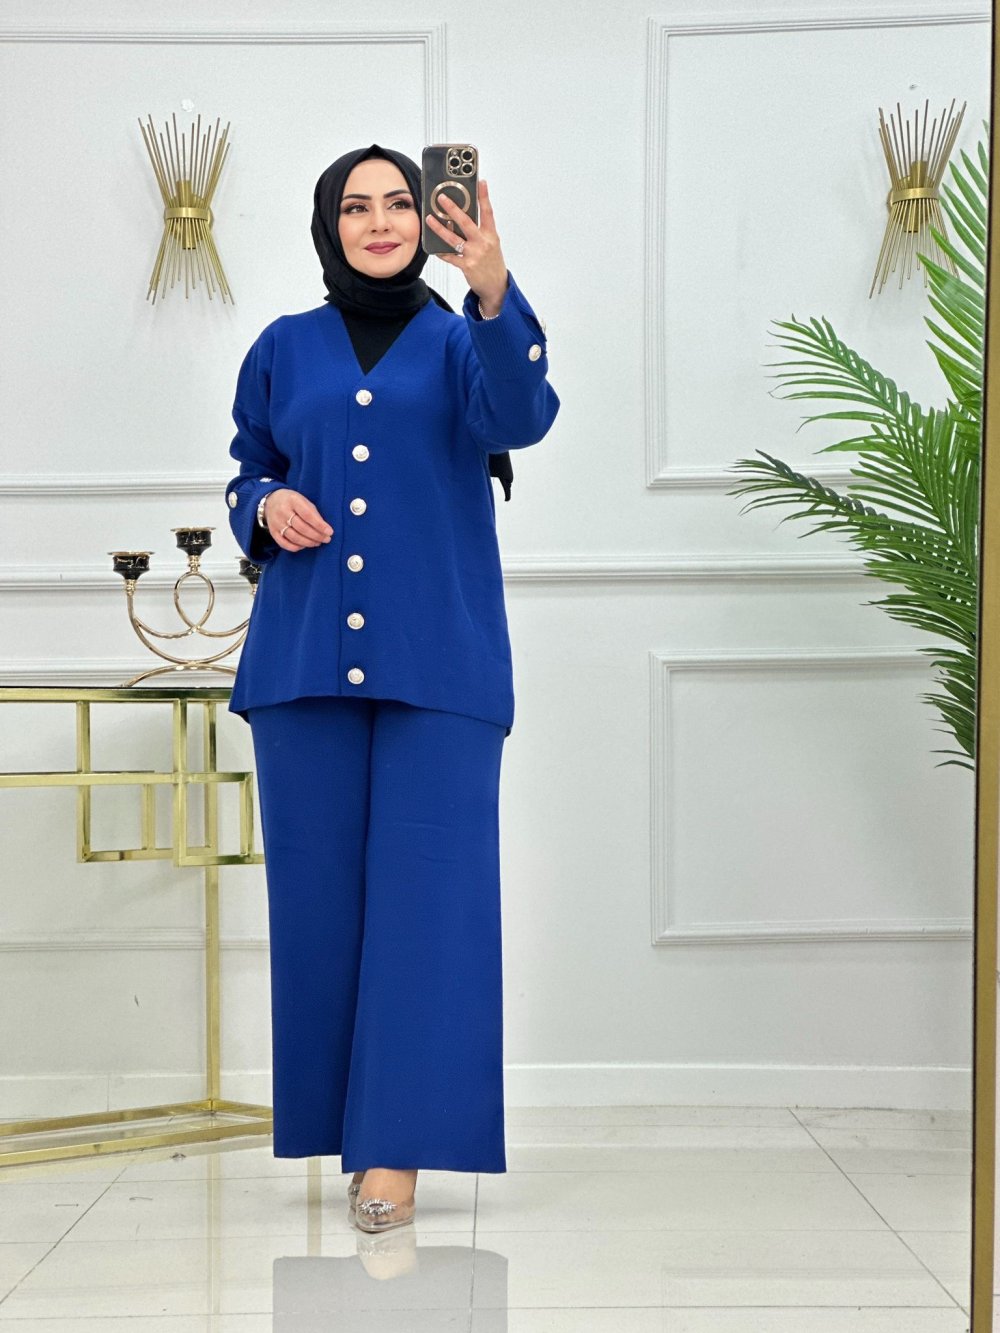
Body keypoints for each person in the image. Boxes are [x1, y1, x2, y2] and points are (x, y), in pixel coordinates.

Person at [223, 143, 559, 1233]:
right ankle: (346, 1130)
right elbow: (249, 465)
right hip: (302, 660)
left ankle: (395, 1150)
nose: (379, 221)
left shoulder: (466, 339)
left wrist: (494, 287)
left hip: (442, 663)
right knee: (319, 908)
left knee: (431, 907)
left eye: (399, 203)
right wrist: (263, 507)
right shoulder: (283, 346)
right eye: (357, 206)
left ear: (428, 219)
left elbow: (520, 416)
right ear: (330, 225)